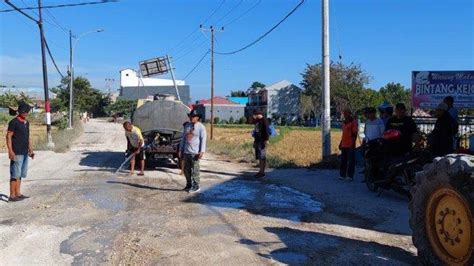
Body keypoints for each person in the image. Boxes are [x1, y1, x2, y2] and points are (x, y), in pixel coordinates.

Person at [6, 102, 35, 202]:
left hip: (24, 152)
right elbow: (8, 136)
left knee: (20, 174)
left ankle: (18, 193)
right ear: (20, 112)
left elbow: (28, 137)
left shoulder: (26, 123)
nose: (26, 113)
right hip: (16, 152)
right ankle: (12, 195)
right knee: (14, 174)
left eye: (27, 112)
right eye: (24, 112)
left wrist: (30, 150)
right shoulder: (14, 122)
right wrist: (10, 151)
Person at [179, 110, 207, 193]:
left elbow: (203, 139)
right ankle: (189, 184)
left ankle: (196, 186)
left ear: (197, 118)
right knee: (186, 170)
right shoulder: (187, 126)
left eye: (193, 116)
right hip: (186, 152)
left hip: (195, 153)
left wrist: (201, 151)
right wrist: (181, 149)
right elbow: (183, 139)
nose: (191, 118)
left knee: (195, 170)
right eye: (190, 116)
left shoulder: (201, 127)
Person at [339, 109, 358, 181]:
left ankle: (350, 176)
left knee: (351, 161)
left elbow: (355, 134)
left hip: (350, 144)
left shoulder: (353, 122)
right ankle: (342, 175)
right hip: (344, 144)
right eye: (344, 113)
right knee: (343, 160)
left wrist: (353, 143)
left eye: (346, 113)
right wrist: (341, 143)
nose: (345, 115)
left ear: (349, 114)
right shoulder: (344, 123)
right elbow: (343, 134)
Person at [252, 110, 269, 179]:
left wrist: (266, 139)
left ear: (259, 114)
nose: (254, 116)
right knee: (259, 156)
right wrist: (254, 141)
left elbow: (266, 130)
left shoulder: (264, 120)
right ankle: (260, 171)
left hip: (262, 141)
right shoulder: (257, 121)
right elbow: (256, 131)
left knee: (262, 156)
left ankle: (262, 172)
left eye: (255, 115)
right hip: (257, 140)